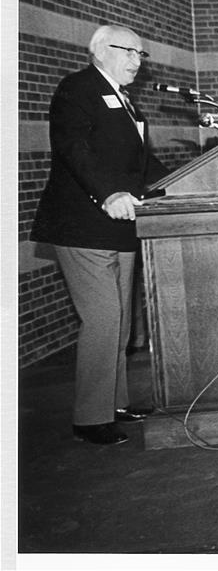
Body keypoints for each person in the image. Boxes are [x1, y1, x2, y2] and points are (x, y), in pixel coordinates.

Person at [31, 24, 169, 445]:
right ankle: (90, 418)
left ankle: (117, 403)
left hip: (121, 227)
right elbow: (74, 148)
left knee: (122, 320)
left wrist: (187, 184)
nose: (136, 61)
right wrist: (109, 192)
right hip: (83, 223)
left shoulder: (128, 103)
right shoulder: (78, 89)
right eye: (130, 52)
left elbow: (144, 166)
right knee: (104, 318)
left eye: (141, 55)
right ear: (100, 50)